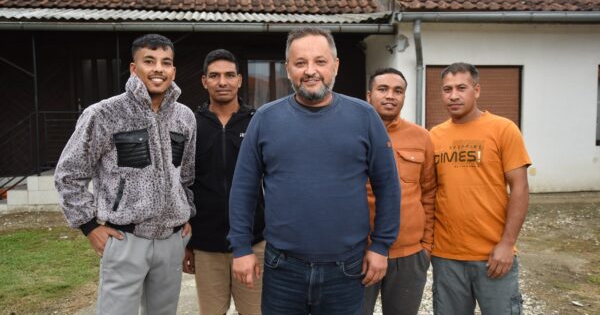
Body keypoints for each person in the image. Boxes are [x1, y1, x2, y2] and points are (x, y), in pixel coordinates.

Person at [227, 26, 401, 315]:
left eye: (320, 61)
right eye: (300, 63)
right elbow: (244, 189)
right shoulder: (265, 119)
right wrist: (241, 248)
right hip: (282, 267)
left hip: (346, 269)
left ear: (335, 66)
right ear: (288, 69)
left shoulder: (364, 116)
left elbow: (388, 187)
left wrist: (381, 246)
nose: (311, 71)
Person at [54, 34, 196, 315]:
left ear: (174, 71)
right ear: (134, 68)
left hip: (171, 241)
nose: (158, 69)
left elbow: (187, 175)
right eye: (149, 61)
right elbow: (69, 174)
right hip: (124, 240)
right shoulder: (104, 114)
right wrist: (88, 226)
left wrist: (187, 213)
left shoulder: (184, 117)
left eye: (166, 62)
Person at [429, 62, 531, 314]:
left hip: (493, 256)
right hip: (446, 256)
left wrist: (507, 244)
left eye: (461, 88)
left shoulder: (503, 129)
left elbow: (520, 188)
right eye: (447, 89)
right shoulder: (434, 136)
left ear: (476, 90)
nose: (453, 95)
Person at [182, 49, 265, 315]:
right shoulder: (191, 126)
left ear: (240, 80)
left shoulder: (257, 123)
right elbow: (183, 184)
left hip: (255, 242)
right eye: (215, 76)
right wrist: (188, 243)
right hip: (206, 244)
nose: (222, 82)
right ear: (204, 81)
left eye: (229, 75)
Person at [363, 68, 436, 315]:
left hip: (409, 256)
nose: (390, 96)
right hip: (360, 253)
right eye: (383, 89)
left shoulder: (422, 137)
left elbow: (429, 193)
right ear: (369, 95)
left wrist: (425, 245)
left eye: (398, 91)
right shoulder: (351, 134)